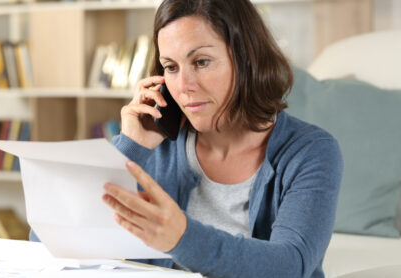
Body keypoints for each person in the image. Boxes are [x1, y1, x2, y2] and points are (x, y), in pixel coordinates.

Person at [101, 0, 344, 277]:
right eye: (170, 67)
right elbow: (50, 245)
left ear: (245, 59)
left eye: (201, 62)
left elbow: (291, 265)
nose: (183, 87)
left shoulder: (310, 151)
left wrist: (181, 237)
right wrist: (130, 147)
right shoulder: (156, 144)